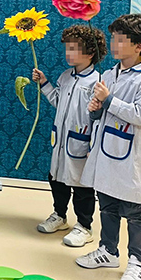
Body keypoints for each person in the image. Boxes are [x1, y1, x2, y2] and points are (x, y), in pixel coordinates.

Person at [76, 14, 141, 280]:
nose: (114, 44)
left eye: (121, 40)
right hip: (107, 153)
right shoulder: (109, 74)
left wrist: (108, 99)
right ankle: (108, 251)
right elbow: (103, 114)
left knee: (133, 211)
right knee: (108, 205)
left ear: (139, 46)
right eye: (113, 38)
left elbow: (140, 115)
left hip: (130, 158)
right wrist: (96, 110)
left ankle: (137, 262)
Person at [33, 25, 107, 247]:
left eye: (74, 49)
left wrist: (93, 142)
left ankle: (84, 226)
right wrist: (44, 83)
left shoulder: (97, 81)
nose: (68, 53)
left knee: (82, 186)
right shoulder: (66, 76)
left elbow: (99, 117)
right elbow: (58, 100)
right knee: (57, 179)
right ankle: (60, 215)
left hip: (81, 143)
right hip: (61, 141)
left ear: (90, 52)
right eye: (67, 48)